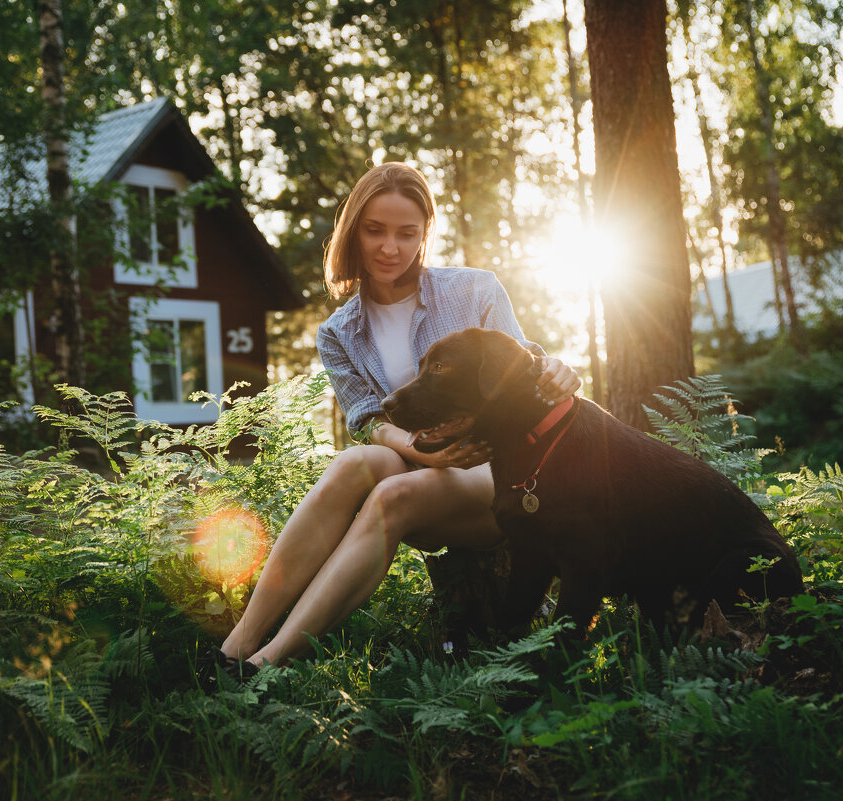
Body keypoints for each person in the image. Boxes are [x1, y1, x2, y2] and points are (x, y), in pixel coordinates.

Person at [216, 162, 580, 671]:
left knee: (392, 492)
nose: (390, 247)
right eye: (375, 231)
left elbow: (523, 362)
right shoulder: (339, 331)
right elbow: (367, 421)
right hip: (421, 462)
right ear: (353, 231)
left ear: (425, 233)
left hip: (498, 472)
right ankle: (235, 646)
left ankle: (266, 663)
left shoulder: (474, 290)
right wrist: (425, 450)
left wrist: (557, 369)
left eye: (407, 233)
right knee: (350, 465)